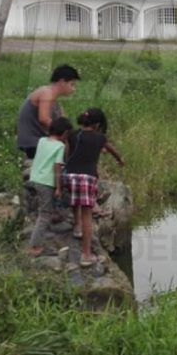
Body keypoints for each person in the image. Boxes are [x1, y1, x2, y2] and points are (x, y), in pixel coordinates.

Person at [64, 108, 124, 267]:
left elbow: (66, 154)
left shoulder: (71, 134)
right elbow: (111, 150)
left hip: (70, 176)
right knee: (87, 215)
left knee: (75, 202)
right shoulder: (100, 138)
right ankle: (86, 255)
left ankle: (77, 227)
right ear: (97, 124)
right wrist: (120, 160)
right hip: (87, 177)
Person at [27, 117, 72, 257]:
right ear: (64, 133)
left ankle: (38, 242)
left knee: (44, 211)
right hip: (46, 182)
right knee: (44, 215)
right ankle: (35, 246)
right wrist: (58, 188)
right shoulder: (60, 146)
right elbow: (57, 167)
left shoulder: (42, 140)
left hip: (35, 178)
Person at [16, 64, 81, 159]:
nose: (73, 89)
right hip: (35, 142)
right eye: (72, 84)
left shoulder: (56, 102)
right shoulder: (46, 93)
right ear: (62, 82)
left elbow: (64, 122)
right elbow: (44, 119)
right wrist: (63, 136)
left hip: (43, 142)